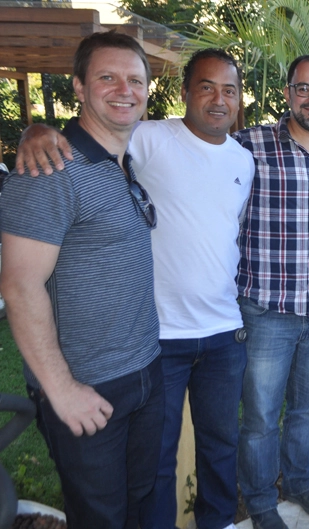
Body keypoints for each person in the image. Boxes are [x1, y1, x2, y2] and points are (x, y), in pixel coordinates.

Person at [15, 49, 256, 529]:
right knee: (131, 486)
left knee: (192, 458)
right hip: (145, 348)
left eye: (229, 90)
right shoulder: (135, 141)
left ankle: (218, 521)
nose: (217, 99)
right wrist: (35, 131)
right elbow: (21, 285)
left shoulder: (238, 161)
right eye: (206, 86)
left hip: (197, 340)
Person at [0, 31, 163, 528]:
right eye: (107, 77)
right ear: (78, 86)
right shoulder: (49, 168)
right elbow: (19, 285)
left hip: (144, 373)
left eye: (134, 80)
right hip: (87, 386)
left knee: (137, 503)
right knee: (99, 517)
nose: (123, 90)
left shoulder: (123, 162)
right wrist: (61, 389)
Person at [233, 55, 309, 529]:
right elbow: (188, 148)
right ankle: (259, 499)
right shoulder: (250, 144)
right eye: (303, 89)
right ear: (287, 94)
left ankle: (299, 480)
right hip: (265, 311)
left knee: (306, 409)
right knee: (261, 417)